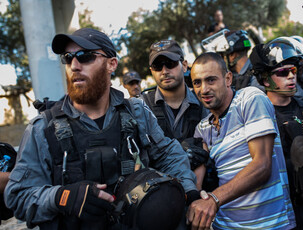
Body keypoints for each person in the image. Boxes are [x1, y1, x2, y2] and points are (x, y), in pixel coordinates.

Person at [4, 28, 198, 230]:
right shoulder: (42, 128)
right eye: (68, 58)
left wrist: (189, 191)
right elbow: (18, 196)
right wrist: (63, 197)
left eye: (85, 56)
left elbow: (170, 156)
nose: (74, 66)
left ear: (111, 64)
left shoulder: (137, 112)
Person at [187, 52, 296, 229]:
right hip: (223, 225)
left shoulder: (250, 99)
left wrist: (214, 199)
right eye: (197, 82)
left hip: (270, 225)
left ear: (228, 79)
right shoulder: (202, 128)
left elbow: (262, 166)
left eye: (211, 80)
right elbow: (198, 183)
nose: (204, 89)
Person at [250, 36, 303, 230]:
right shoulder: (259, 117)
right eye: (283, 72)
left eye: (294, 70)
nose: (291, 76)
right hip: (282, 209)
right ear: (265, 79)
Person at [142, 40, 211, 191]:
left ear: (184, 65)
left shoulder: (205, 100)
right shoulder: (142, 107)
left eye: (170, 63)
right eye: (157, 66)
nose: (164, 71)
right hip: (161, 195)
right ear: (151, 71)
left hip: (204, 193)